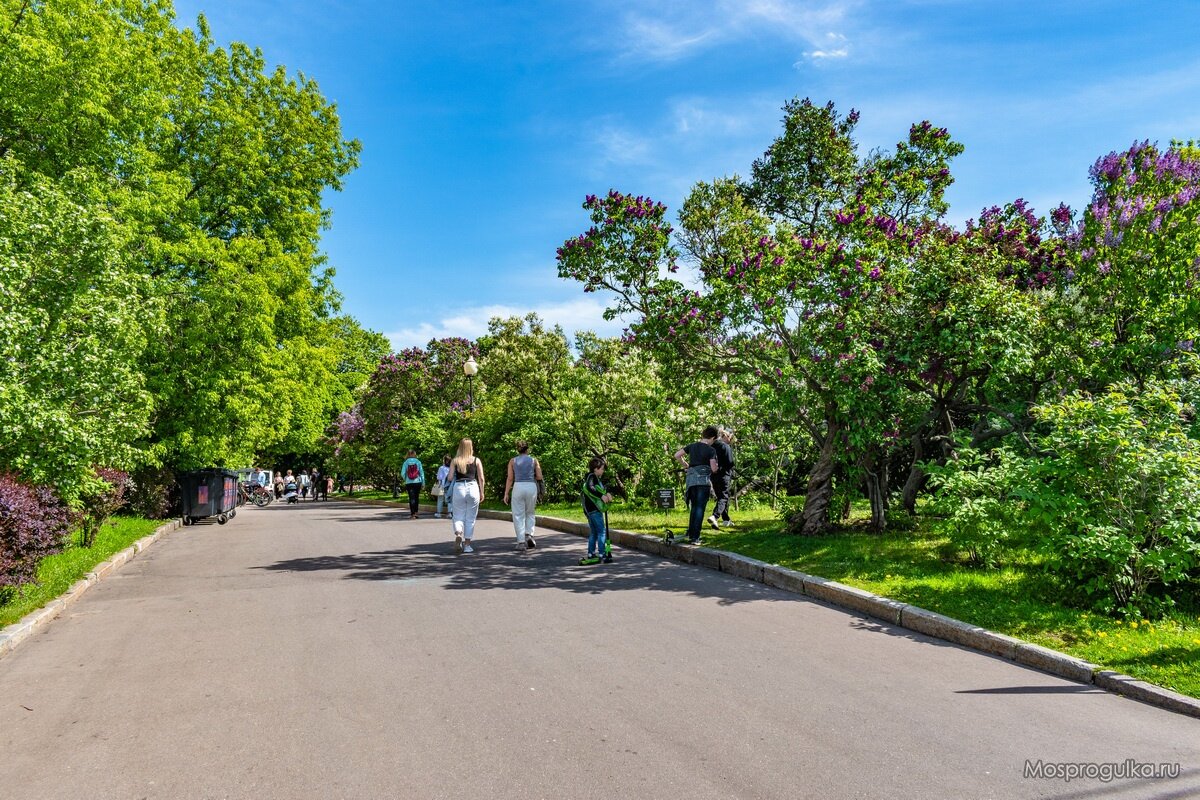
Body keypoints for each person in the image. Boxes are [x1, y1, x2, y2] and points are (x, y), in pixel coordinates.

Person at [674, 426, 720, 544]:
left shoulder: (692, 446)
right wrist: (717, 467)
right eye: (714, 440)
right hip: (702, 481)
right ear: (712, 438)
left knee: (694, 507)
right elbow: (714, 469)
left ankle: (691, 533)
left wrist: (686, 465)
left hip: (691, 480)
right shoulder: (711, 450)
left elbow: (677, 455)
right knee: (700, 508)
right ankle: (695, 537)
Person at [503, 441, 543, 551]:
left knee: (518, 515)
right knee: (530, 512)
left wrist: (506, 493)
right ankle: (529, 535)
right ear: (527, 449)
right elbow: (539, 476)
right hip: (531, 486)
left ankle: (520, 542)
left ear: (518, 450)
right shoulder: (534, 460)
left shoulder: (512, 461)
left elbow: (510, 478)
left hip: (518, 487)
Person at [449, 438, 485, 554]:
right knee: (470, 518)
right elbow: (481, 478)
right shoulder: (476, 460)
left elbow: (449, 478)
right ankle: (467, 545)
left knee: (458, 514)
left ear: (460, 447)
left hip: (459, 488)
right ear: (471, 447)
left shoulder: (455, 460)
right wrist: (482, 492)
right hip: (473, 487)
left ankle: (459, 532)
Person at [580, 456, 613, 564]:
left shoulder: (594, 479)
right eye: (602, 468)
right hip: (594, 510)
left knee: (594, 532)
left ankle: (591, 553)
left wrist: (607, 494)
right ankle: (602, 553)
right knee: (601, 532)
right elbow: (591, 488)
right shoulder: (592, 477)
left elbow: (601, 489)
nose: (603, 471)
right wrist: (601, 496)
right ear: (596, 469)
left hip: (589, 511)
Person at [708, 429, 736, 530]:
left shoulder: (711, 447)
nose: (730, 440)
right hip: (724, 475)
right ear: (725, 436)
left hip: (713, 475)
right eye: (730, 438)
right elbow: (730, 462)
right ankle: (715, 516)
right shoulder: (725, 446)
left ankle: (726, 520)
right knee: (724, 497)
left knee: (722, 496)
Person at [401, 450, 425, 519]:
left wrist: (406, 479)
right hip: (418, 482)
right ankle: (417, 512)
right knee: (416, 497)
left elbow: (402, 473)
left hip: (409, 483)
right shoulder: (418, 462)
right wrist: (423, 482)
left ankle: (413, 514)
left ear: (408, 455)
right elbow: (421, 473)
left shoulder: (406, 462)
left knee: (411, 498)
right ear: (414, 454)